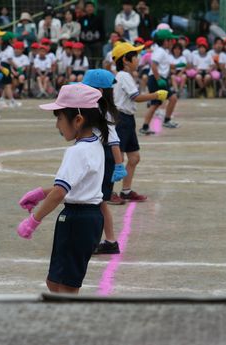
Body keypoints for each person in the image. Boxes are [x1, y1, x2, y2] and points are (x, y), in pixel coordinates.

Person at [17, 83, 109, 294]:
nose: (57, 125)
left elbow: (60, 192)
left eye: (59, 118)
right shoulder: (95, 142)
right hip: (89, 219)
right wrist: (41, 193)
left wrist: (33, 221)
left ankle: (70, 324)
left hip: (76, 220)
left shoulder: (77, 152)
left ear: (78, 120)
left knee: (66, 287)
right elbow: (75, 185)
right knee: (55, 283)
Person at [112, 42, 168, 202]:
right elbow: (135, 96)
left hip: (127, 119)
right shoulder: (123, 75)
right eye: (135, 57)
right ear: (125, 60)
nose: (138, 60)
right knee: (117, 159)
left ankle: (126, 191)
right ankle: (106, 192)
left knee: (134, 157)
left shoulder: (126, 76)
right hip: (121, 119)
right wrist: (156, 95)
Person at [82, 69, 127, 255]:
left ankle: (100, 241)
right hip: (99, 157)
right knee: (99, 203)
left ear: (99, 91)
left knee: (96, 202)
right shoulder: (96, 108)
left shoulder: (102, 111)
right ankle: (110, 241)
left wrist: (118, 165)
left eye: (88, 88)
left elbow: (113, 141)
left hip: (105, 159)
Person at [140, 30, 178, 135]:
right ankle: (167, 120)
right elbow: (153, 65)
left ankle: (145, 126)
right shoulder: (160, 51)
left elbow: (164, 66)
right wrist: (158, 79)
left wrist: (178, 66)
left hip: (159, 79)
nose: (172, 42)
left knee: (155, 104)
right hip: (157, 79)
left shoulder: (163, 51)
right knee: (172, 98)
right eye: (170, 40)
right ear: (165, 41)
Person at [79, 1, 104, 66]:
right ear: (85, 9)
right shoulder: (82, 19)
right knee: (88, 60)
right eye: (88, 7)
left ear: (94, 8)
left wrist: (101, 41)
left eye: (91, 7)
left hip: (96, 42)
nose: (89, 8)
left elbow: (102, 31)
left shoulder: (98, 18)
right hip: (85, 43)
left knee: (96, 59)